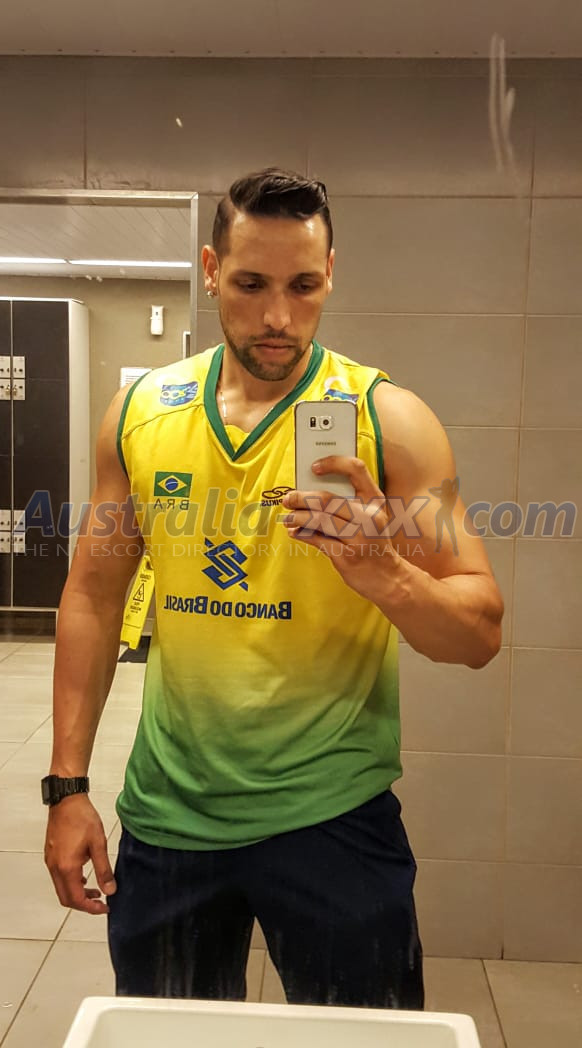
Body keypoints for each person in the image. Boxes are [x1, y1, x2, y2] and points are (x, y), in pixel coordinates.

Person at [43, 168, 503, 1010]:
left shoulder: (389, 420)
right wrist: (67, 789)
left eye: (303, 286)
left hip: (335, 817)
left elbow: (479, 634)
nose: (278, 318)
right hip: (172, 816)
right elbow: (93, 599)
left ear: (331, 274)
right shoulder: (140, 413)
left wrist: (385, 573)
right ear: (211, 269)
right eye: (251, 284)